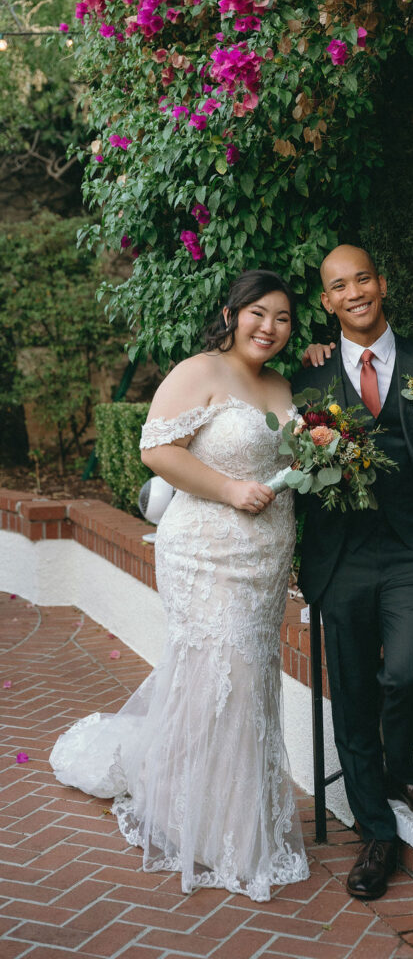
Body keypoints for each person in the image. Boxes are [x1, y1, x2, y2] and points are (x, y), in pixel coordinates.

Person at [50, 270, 309, 899]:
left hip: (266, 555)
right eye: (258, 314)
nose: (269, 328)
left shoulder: (281, 383)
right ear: (231, 313)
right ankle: (203, 827)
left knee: (249, 679)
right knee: (224, 673)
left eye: (282, 319)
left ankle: (233, 817)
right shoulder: (200, 371)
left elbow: (294, 459)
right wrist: (228, 489)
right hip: (205, 549)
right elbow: (156, 450)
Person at [294, 245, 413, 900]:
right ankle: (376, 832)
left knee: (409, 669)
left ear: (382, 281)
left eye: (362, 278)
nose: (354, 293)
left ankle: (398, 761)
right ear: (326, 302)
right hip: (341, 559)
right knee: (350, 697)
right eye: (338, 285)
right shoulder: (308, 380)